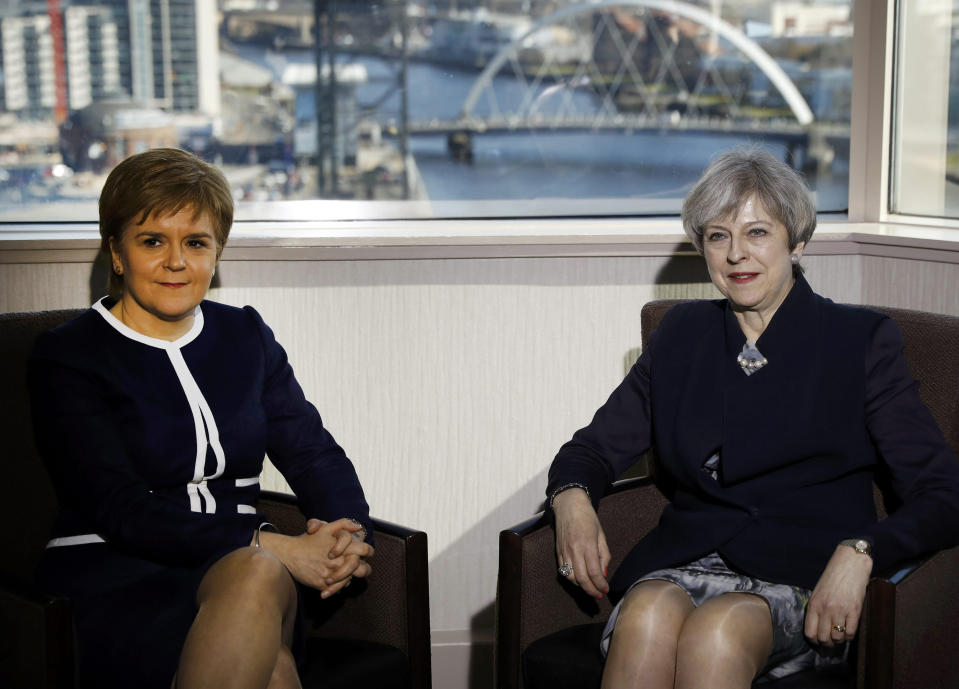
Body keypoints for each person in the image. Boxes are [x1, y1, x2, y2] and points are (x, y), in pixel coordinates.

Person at [547, 149, 959, 688]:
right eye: (718, 236)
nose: (737, 254)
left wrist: (862, 550)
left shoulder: (859, 342)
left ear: (798, 240)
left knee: (717, 631)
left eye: (758, 232)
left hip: (802, 575)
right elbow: (591, 450)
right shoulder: (682, 336)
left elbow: (943, 494)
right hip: (687, 558)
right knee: (645, 617)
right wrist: (572, 499)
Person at [29, 148, 375, 689]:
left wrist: (346, 536)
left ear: (216, 254)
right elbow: (116, 508)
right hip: (115, 573)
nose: (176, 262)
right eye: (152, 241)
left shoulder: (245, 335)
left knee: (255, 574)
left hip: (242, 573)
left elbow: (312, 452)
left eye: (195, 242)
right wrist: (273, 544)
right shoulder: (69, 355)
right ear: (116, 253)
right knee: (274, 667)